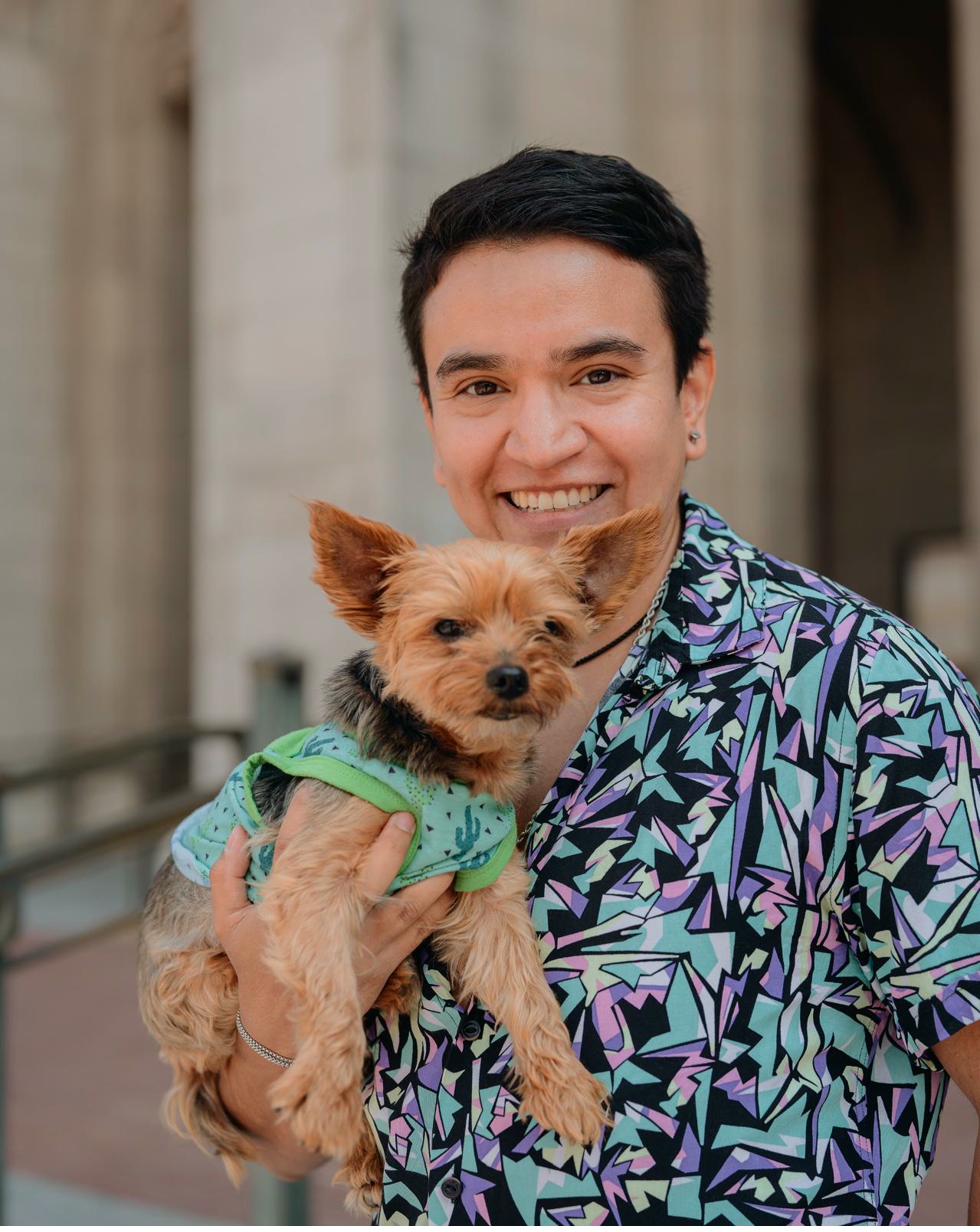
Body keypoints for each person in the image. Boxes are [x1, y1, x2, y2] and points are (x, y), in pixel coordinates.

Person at [206, 147, 980, 1224]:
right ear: (433, 421)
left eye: (598, 374)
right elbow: (270, 1144)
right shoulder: (367, 727)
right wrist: (276, 1000)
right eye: (480, 386)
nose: (541, 439)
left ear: (691, 393)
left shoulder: (863, 697)